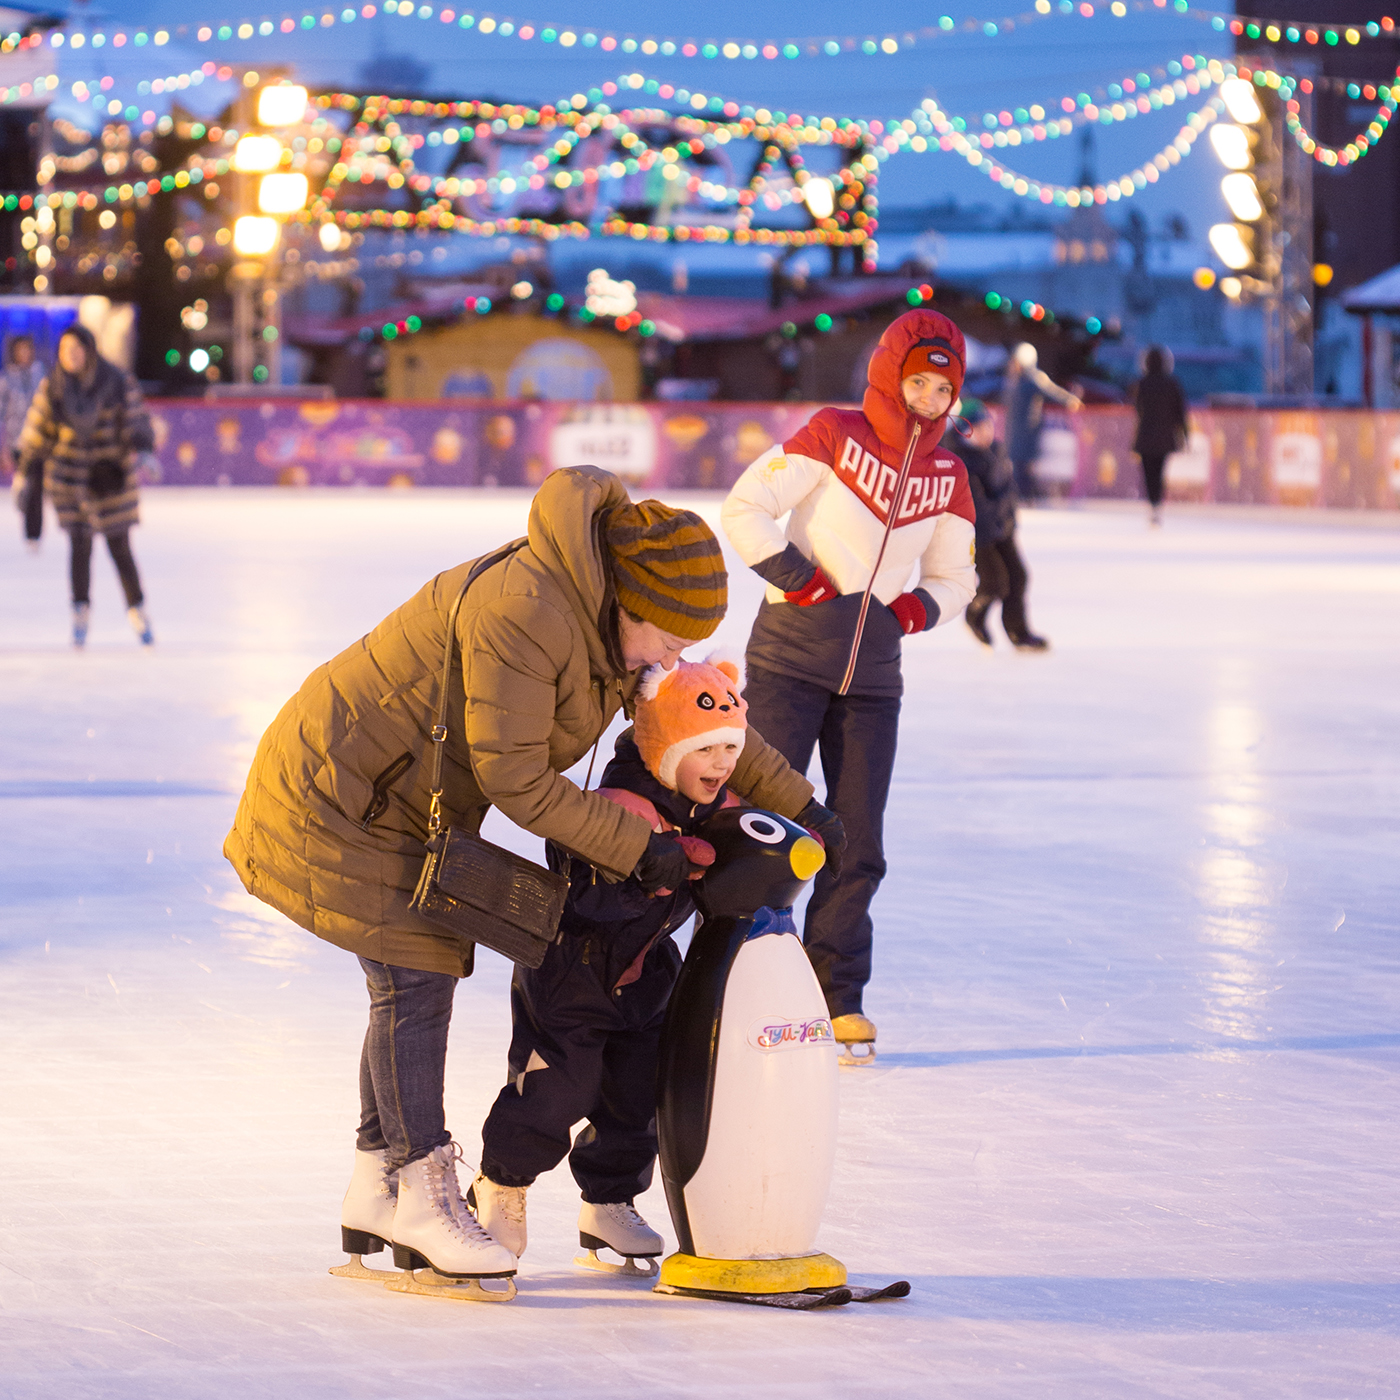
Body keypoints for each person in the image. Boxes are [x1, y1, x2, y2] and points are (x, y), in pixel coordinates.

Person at [224, 466, 839, 1291]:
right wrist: (637, 845)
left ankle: (377, 1180)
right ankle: (419, 1188)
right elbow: (516, 781)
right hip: (342, 791)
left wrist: (805, 804)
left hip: (406, 797)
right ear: (626, 598)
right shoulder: (528, 612)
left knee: (407, 972)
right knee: (415, 969)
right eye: (664, 636)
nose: (671, 657)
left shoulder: (613, 622)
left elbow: (694, 711)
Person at [720, 308, 977, 1063]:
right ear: (891, 375)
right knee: (762, 824)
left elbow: (958, 575)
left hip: (872, 682)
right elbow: (745, 508)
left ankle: (839, 998)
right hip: (788, 662)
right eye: (919, 382)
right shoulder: (835, 434)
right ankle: (737, 974)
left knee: (857, 840)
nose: (930, 399)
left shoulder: (948, 473)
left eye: (943, 389)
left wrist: (909, 613)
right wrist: (797, 580)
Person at [472, 652, 750, 1268]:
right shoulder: (619, 805)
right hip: (574, 973)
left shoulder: (712, 804)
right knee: (556, 1092)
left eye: (729, 748)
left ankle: (608, 1202)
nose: (721, 764)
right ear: (671, 749)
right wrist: (649, 871)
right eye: (705, 750)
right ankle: (499, 1185)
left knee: (637, 1094)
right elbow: (585, 894)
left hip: (647, 976)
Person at [14, 325, 156, 647]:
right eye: (64, 350)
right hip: (70, 482)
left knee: (119, 548)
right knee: (80, 548)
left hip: (110, 480)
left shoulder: (116, 381)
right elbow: (37, 430)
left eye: (75, 350)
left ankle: (137, 610)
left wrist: (142, 447)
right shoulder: (55, 386)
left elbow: (136, 418)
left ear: (89, 351)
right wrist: (26, 470)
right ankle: (80, 612)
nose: (69, 356)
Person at [949, 398, 1048, 651]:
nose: (986, 433)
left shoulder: (996, 451)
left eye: (988, 426)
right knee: (993, 583)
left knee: (1018, 577)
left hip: (1001, 527)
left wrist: (1008, 520)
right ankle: (974, 615)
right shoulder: (960, 462)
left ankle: (1018, 632)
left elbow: (1007, 491)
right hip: (976, 534)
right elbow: (977, 508)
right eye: (978, 429)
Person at [1002, 341, 1083, 501]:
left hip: (1027, 430)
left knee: (1024, 466)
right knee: (1017, 465)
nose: (1013, 364)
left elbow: (1051, 391)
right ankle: (1022, 495)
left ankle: (1025, 496)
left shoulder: (1033, 378)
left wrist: (1069, 400)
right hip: (1016, 429)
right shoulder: (1014, 379)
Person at [1131, 345, 1189, 526]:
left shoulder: (1141, 383)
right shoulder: (1172, 384)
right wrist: (1185, 435)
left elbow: (1138, 410)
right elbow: (1180, 412)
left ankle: (1153, 504)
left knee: (1149, 474)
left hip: (1145, 437)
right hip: (1165, 437)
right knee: (1160, 472)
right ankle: (1157, 505)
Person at [2, 334, 45, 548]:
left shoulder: (42, 376)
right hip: (16, 443)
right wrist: (4, 448)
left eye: (26, 349)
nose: (24, 354)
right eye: (19, 350)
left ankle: (33, 535)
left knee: (36, 487)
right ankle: (24, 509)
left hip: (39, 442)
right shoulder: (6, 379)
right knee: (25, 486)